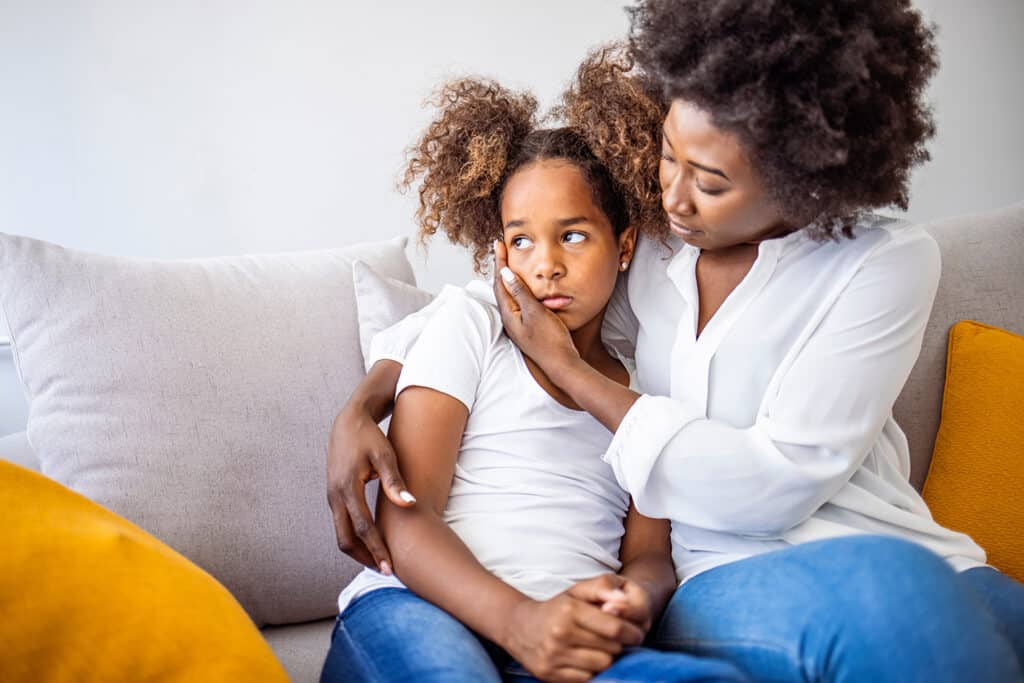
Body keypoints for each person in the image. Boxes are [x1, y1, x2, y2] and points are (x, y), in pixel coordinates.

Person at [328, 2, 1024, 681]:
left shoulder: (882, 260)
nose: (675, 198)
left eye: (711, 182)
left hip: (886, 542)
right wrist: (365, 401)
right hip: (727, 569)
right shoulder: (659, 255)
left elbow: (771, 482)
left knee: (968, 610)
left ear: (803, 176)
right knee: (898, 597)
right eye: (667, 157)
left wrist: (573, 377)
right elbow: (507, 299)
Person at [320, 51, 749, 683]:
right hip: (420, 605)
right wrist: (523, 622)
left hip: (565, 631)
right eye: (522, 240)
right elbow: (406, 520)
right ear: (498, 254)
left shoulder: (649, 383)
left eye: (573, 235)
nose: (545, 264)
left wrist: (637, 598)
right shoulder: (470, 326)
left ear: (624, 245)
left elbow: (649, 555)